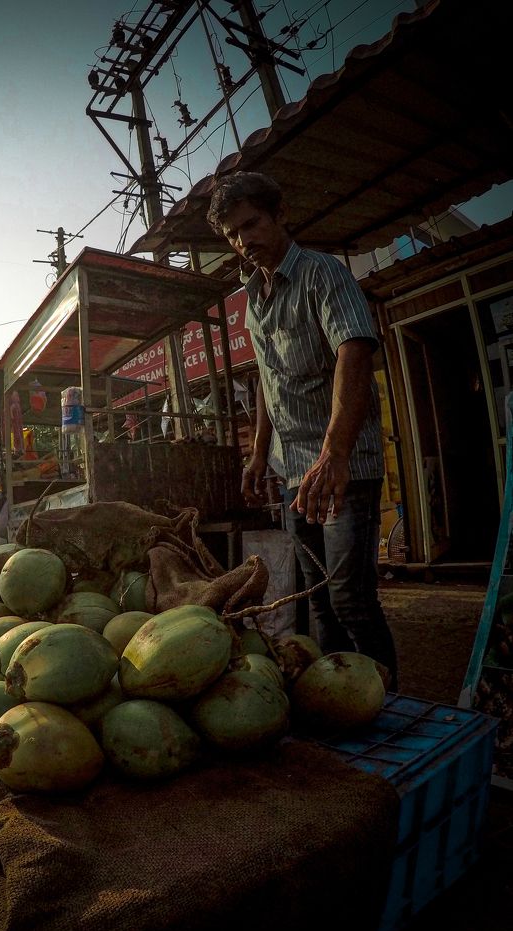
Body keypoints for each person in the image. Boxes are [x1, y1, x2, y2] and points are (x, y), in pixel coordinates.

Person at [206, 171, 397, 688]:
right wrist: (258, 450)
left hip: (342, 467)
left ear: (278, 215)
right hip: (294, 472)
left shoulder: (322, 274)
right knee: (316, 598)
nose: (245, 241)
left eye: (251, 224)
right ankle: (336, 695)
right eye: (233, 235)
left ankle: (387, 701)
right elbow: (269, 381)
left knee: (350, 597)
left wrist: (333, 453)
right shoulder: (255, 298)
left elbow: (354, 351)